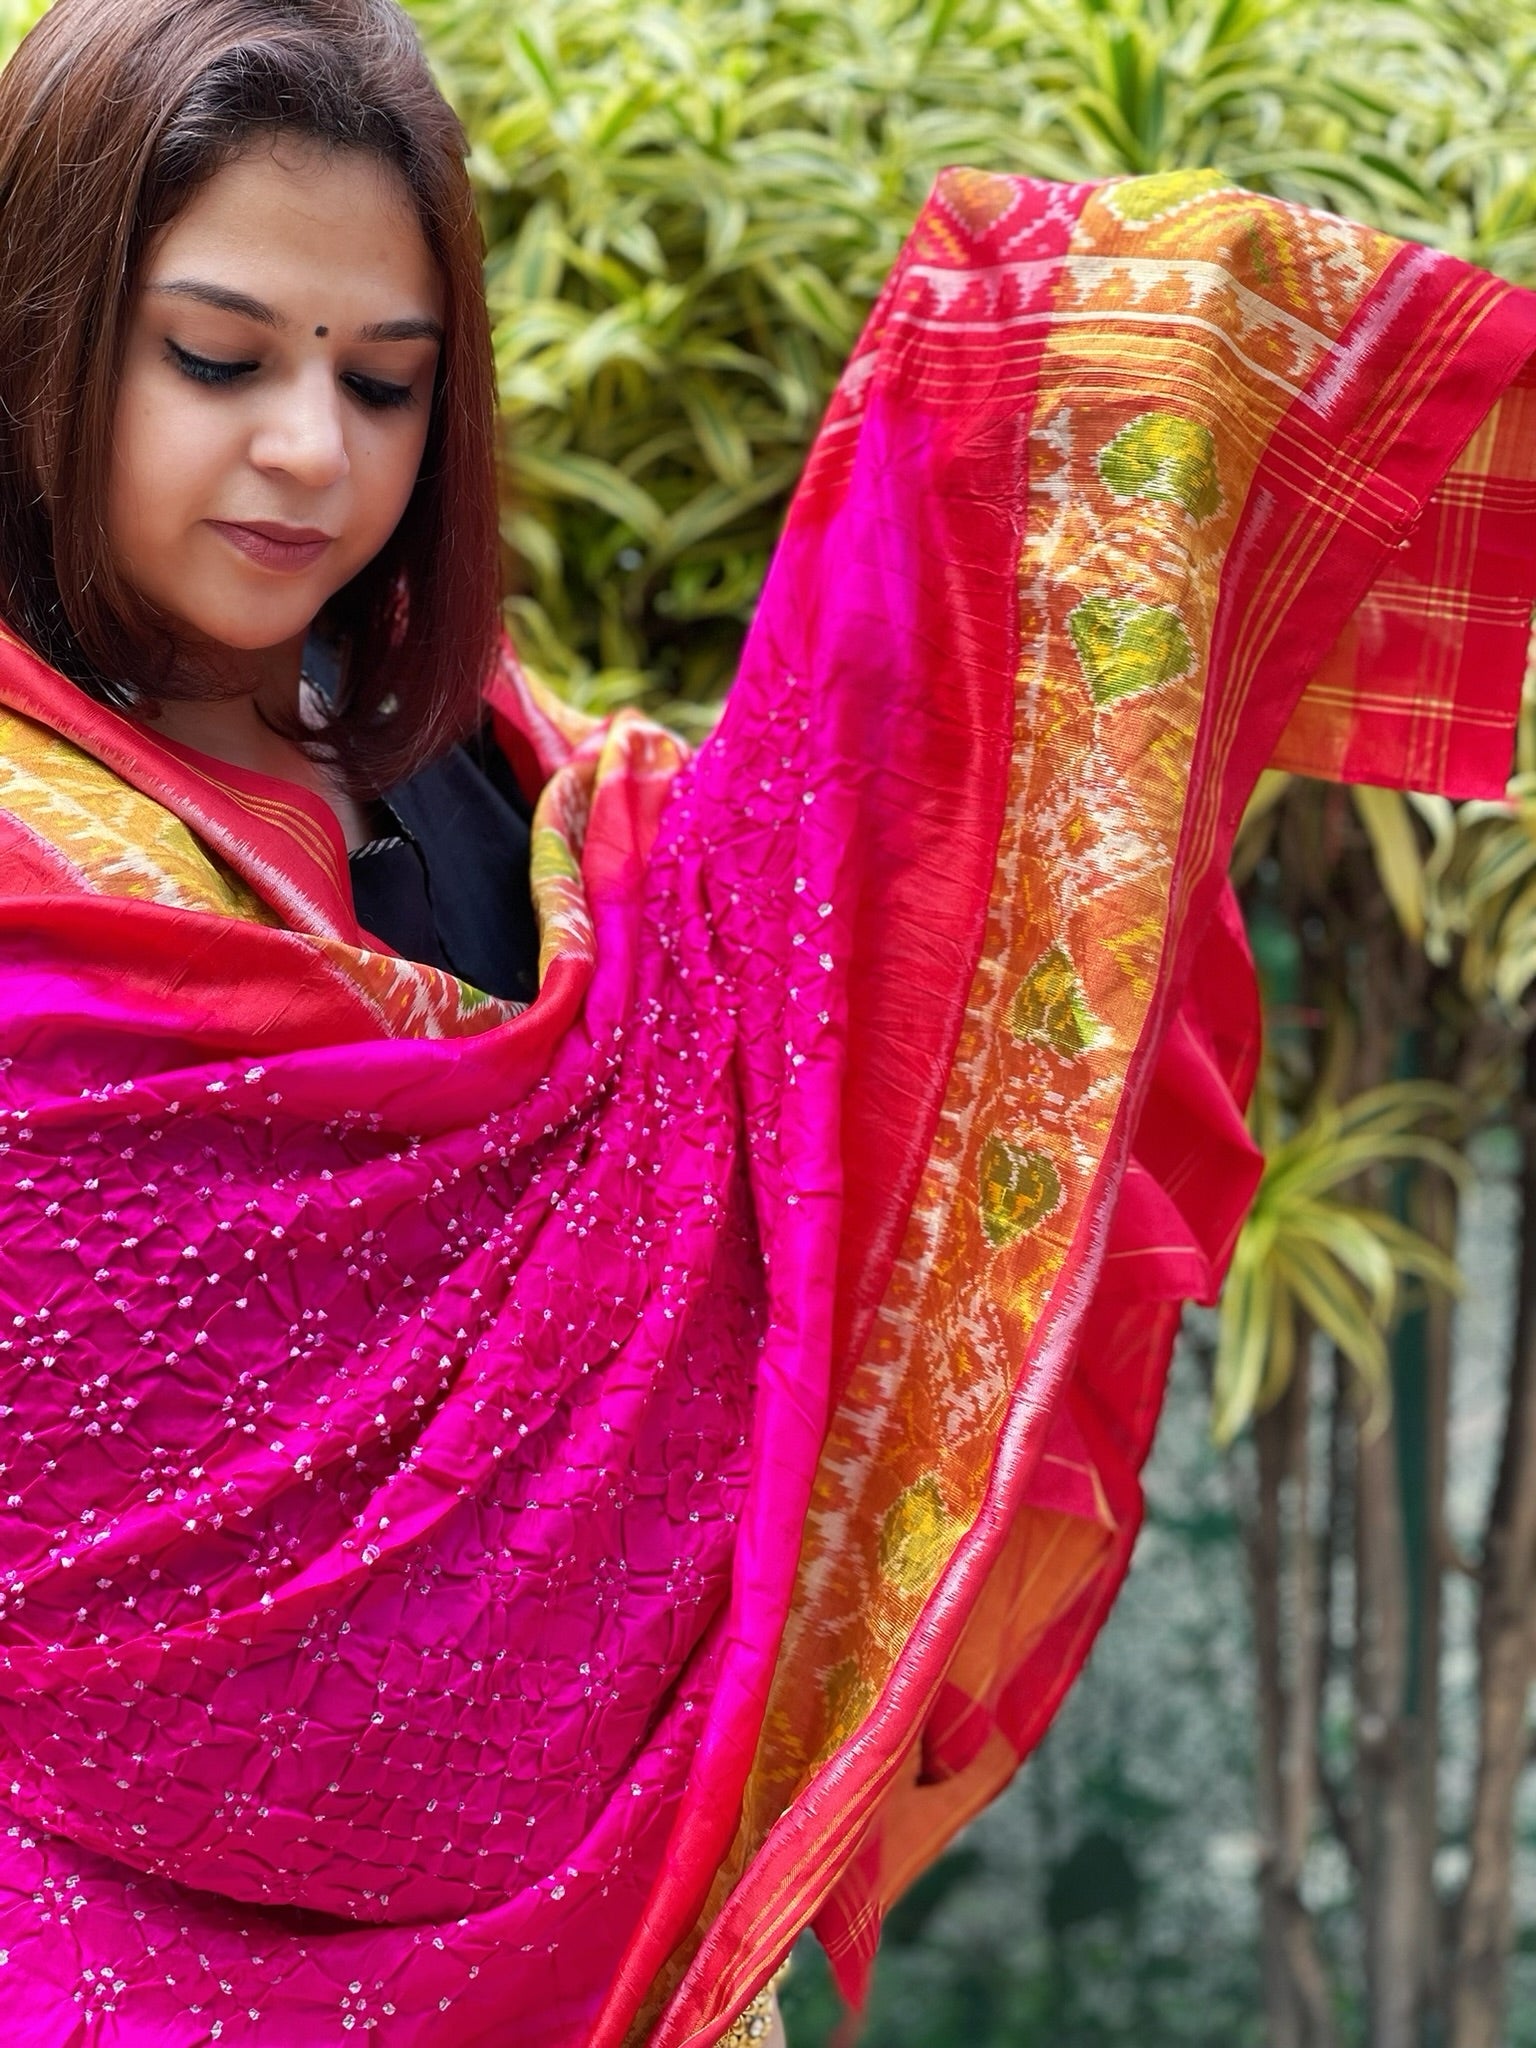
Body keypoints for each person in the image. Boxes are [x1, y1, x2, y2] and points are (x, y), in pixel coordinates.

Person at [1, 0, 1534, 2041]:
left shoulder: (490, 742)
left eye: (385, 382)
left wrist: (1045, 426)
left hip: (653, 1960)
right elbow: (183, 1629)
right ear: (39, 338)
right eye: (217, 359)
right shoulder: (37, 900)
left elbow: (790, 983)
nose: (310, 450)